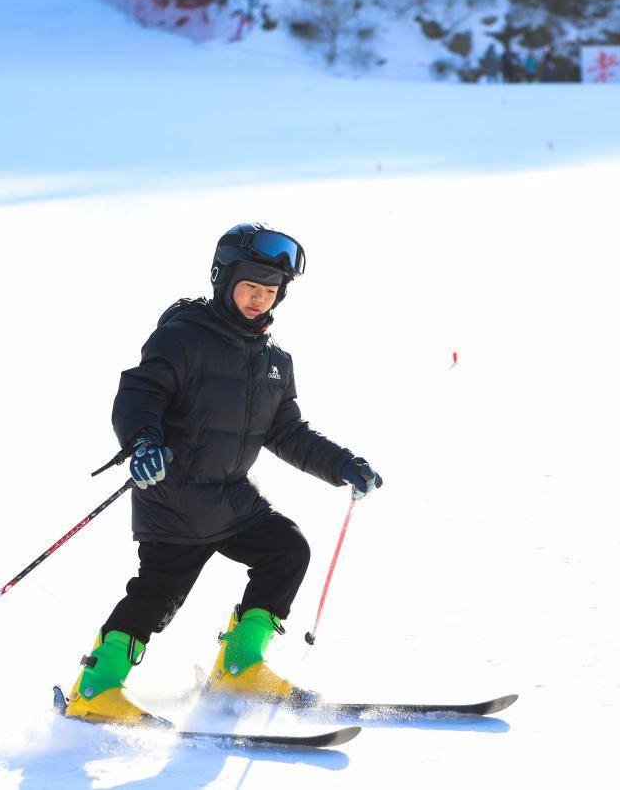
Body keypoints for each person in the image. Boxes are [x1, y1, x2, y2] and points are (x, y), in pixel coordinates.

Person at [64, 223, 383, 724]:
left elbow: (287, 432)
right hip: (173, 499)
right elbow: (140, 394)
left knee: (287, 550)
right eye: (250, 287)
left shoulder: (274, 361)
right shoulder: (182, 338)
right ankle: (95, 689)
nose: (259, 299)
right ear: (223, 279)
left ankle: (239, 666)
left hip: (233, 501)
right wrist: (143, 442)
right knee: (156, 597)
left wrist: (341, 463)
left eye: (270, 291)